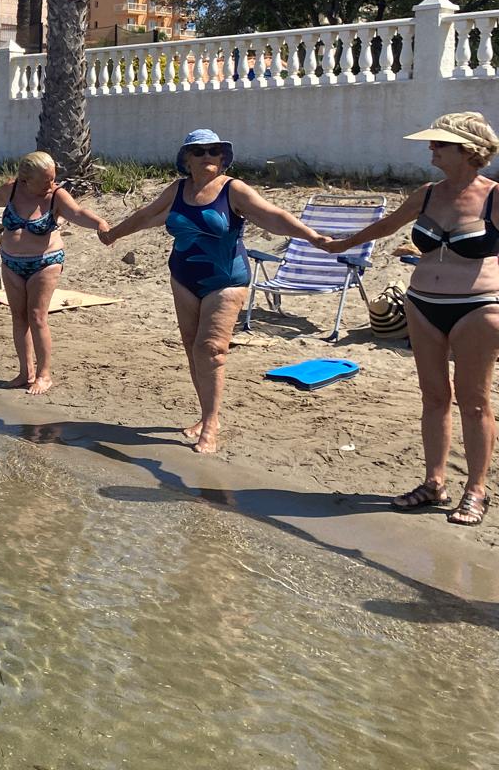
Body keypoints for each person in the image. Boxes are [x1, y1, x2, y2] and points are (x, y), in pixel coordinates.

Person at [318, 112, 499, 525]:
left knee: (474, 402)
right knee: (434, 397)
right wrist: (338, 244)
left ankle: (476, 490)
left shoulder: (493, 196)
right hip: (421, 303)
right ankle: (434, 482)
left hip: (478, 306)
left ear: (468, 150)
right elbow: (386, 226)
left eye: (440, 143)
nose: (430, 148)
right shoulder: (428, 193)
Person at [101, 128, 329, 453]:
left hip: (226, 279)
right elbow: (147, 215)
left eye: (213, 151)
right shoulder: (177, 190)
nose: (207, 155)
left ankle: (210, 424)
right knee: (192, 347)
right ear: (187, 159)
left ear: (222, 159)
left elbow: (273, 217)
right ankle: (207, 414)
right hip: (183, 277)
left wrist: (313, 237)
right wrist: (114, 235)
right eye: (199, 151)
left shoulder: (233, 189)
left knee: (211, 350)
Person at [0, 151, 110, 390]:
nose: (52, 184)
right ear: (25, 180)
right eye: (46, 180)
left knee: (36, 316)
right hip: (12, 263)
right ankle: (26, 372)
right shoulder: (12, 190)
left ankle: (44, 375)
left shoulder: (56, 195)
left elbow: (77, 213)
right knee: (18, 317)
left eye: (53, 178)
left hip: (45, 262)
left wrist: (100, 223)